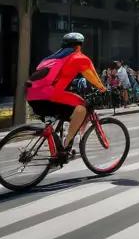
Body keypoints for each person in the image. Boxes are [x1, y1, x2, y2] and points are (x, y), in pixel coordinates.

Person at [24, 32, 108, 160]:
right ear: (79, 46)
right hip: (48, 97)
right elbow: (90, 75)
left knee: (70, 105)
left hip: (32, 96)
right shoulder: (78, 58)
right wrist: (102, 89)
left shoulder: (50, 59)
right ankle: (66, 144)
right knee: (81, 108)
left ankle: (58, 146)